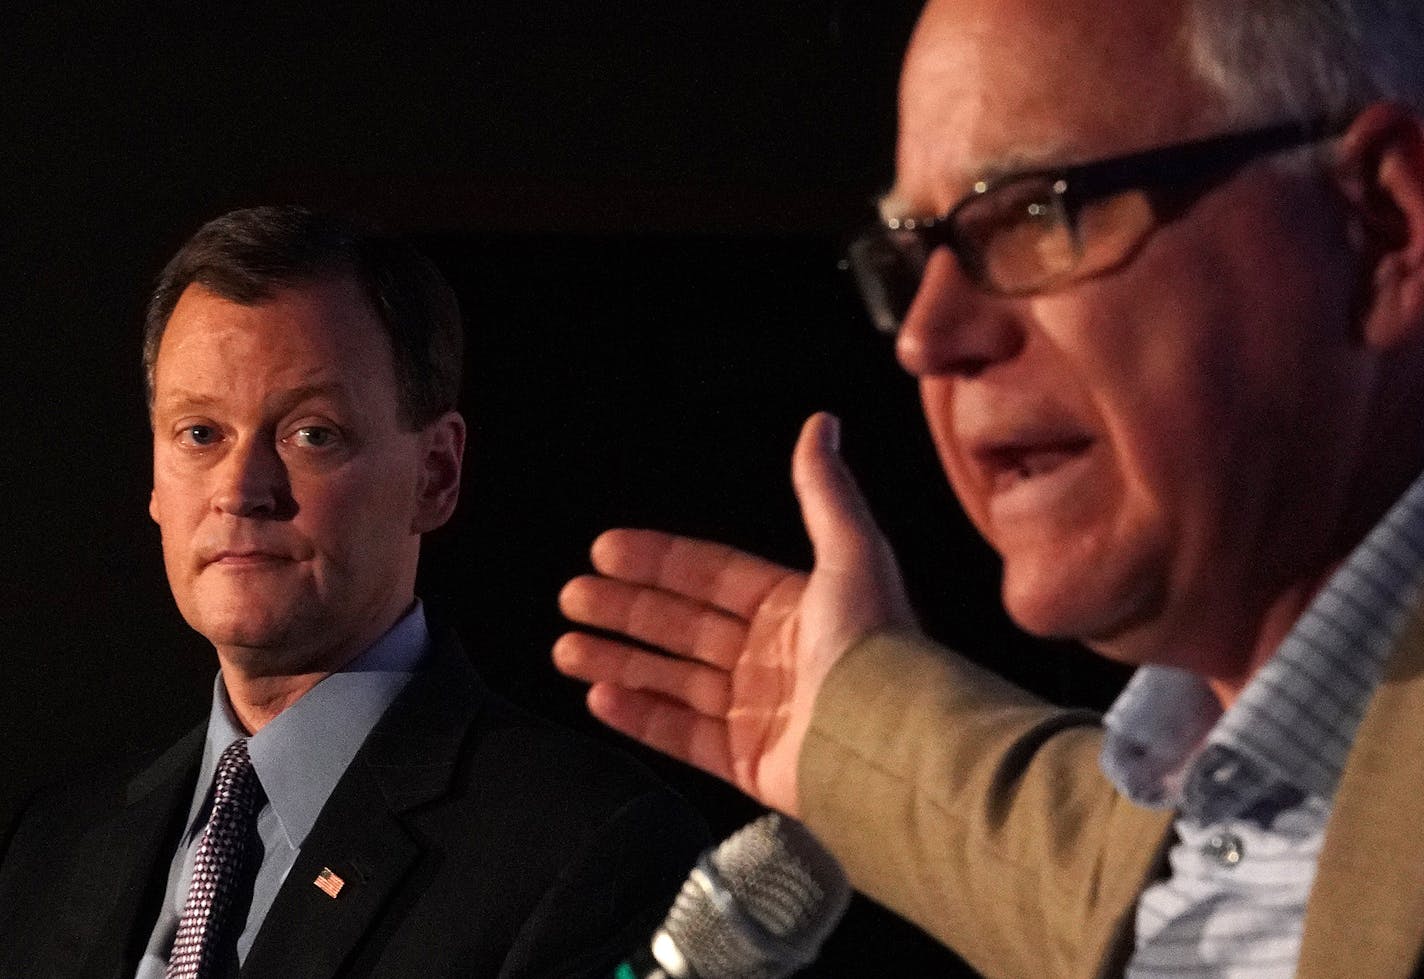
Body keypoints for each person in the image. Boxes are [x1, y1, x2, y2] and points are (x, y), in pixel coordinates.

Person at [553, 0, 1424, 976]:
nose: (925, 336)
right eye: (912, 253)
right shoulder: (1204, 802)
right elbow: (1057, 863)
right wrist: (852, 712)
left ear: (1380, 224)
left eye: (1030, 213)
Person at [0, 205, 706, 979]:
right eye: (200, 433)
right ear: (156, 482)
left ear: (435, 474)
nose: (240, 489)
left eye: (312, 433)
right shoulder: (57, 844)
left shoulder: (588, 847)